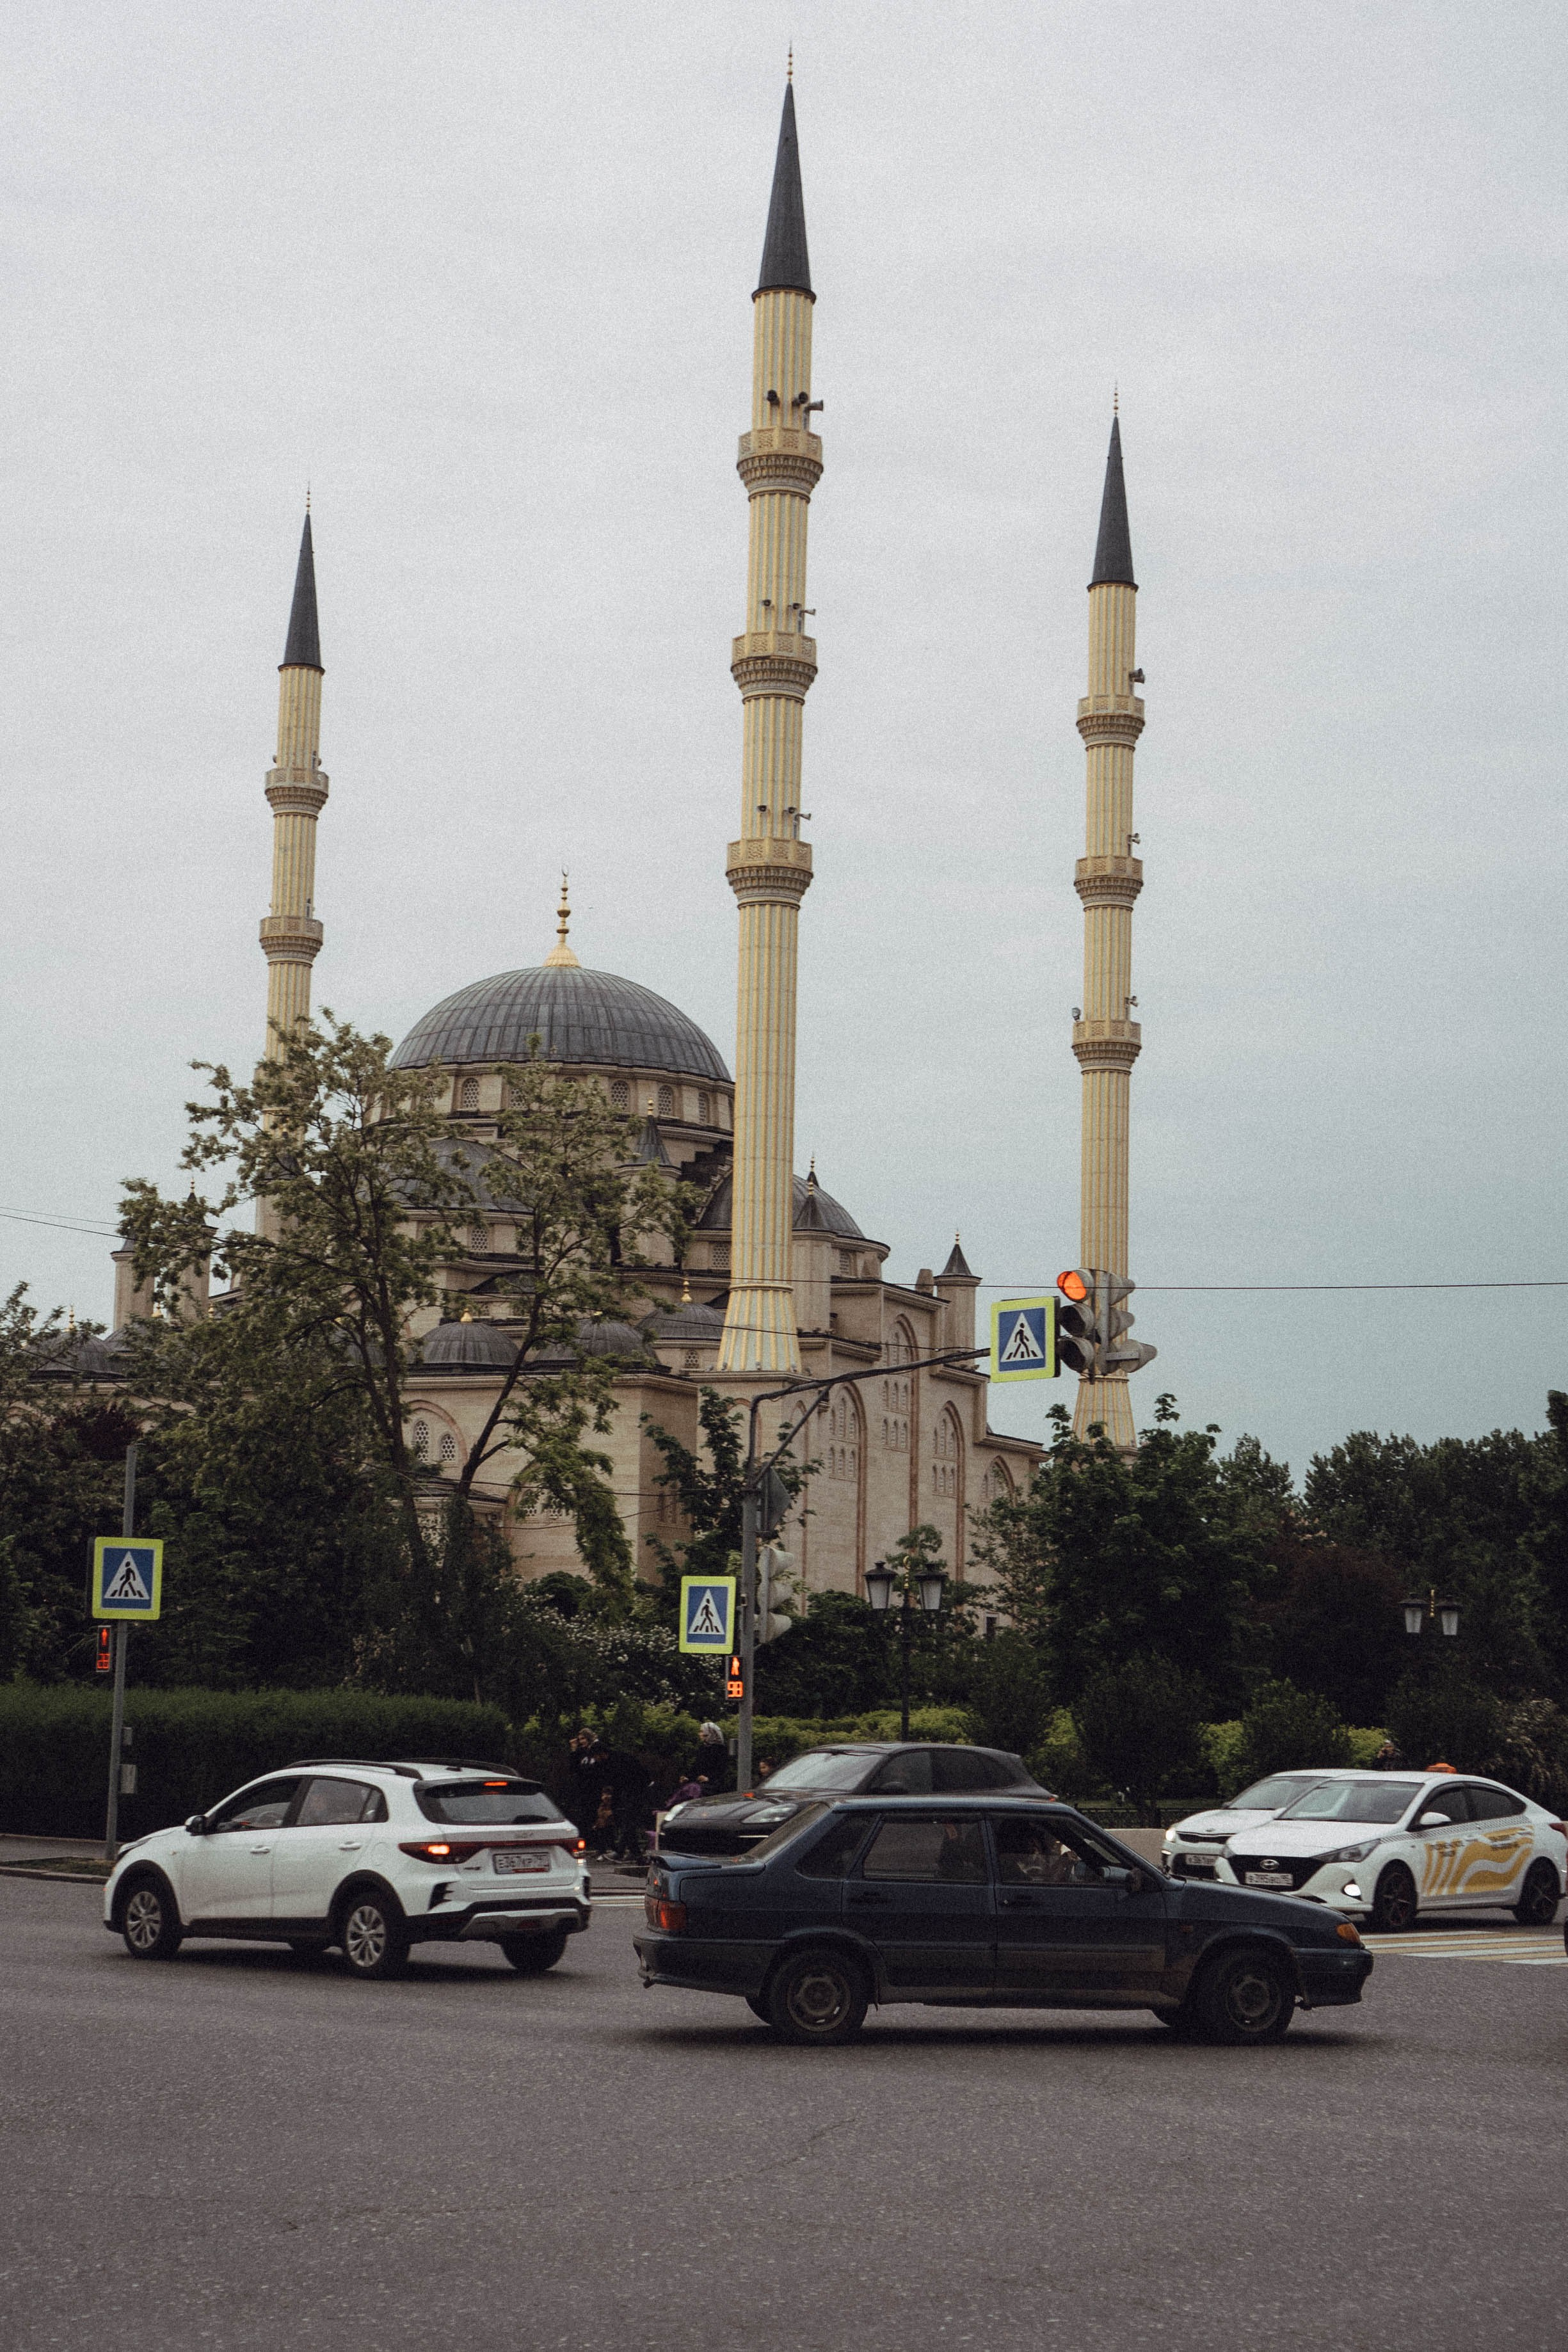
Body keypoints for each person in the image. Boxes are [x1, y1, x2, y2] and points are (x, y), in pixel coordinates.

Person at [688, 1721, 732, 1795]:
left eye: (702, 1732)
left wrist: (708, 1779)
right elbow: (696, 1766)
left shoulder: (720, 1749)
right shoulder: (703, 1748)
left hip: (714, 1785)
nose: (700, 1734)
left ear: (709, 1734)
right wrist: (688, 1777)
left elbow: (721, 1770)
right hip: (700, 1783)